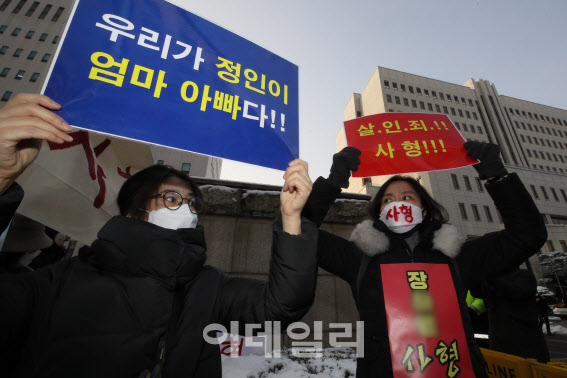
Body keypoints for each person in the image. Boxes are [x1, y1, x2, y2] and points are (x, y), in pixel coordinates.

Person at [0, 94, 319, 377]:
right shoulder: (55, 283)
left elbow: (282, 306)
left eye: (193, 202)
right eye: (171, 199)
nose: (187, 209)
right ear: (132, 211)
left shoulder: (208, 286)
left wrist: (291, 216)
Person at [302, 143, 547, 377]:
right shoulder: (359, 258)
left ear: (425, 210)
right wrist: (333, 183)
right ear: (379, 213)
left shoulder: (456, 255)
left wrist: (497, 177)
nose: (397, 203)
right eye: (388, 200)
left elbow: (527, 235)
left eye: (407, 197)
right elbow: (298, 234)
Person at [480, 269, 550, 362]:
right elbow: (478, 291)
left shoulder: (524, 276)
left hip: (526, 346)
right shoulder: (491, 280)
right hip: (500, 345)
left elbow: (516, 291)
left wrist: (490, 276)